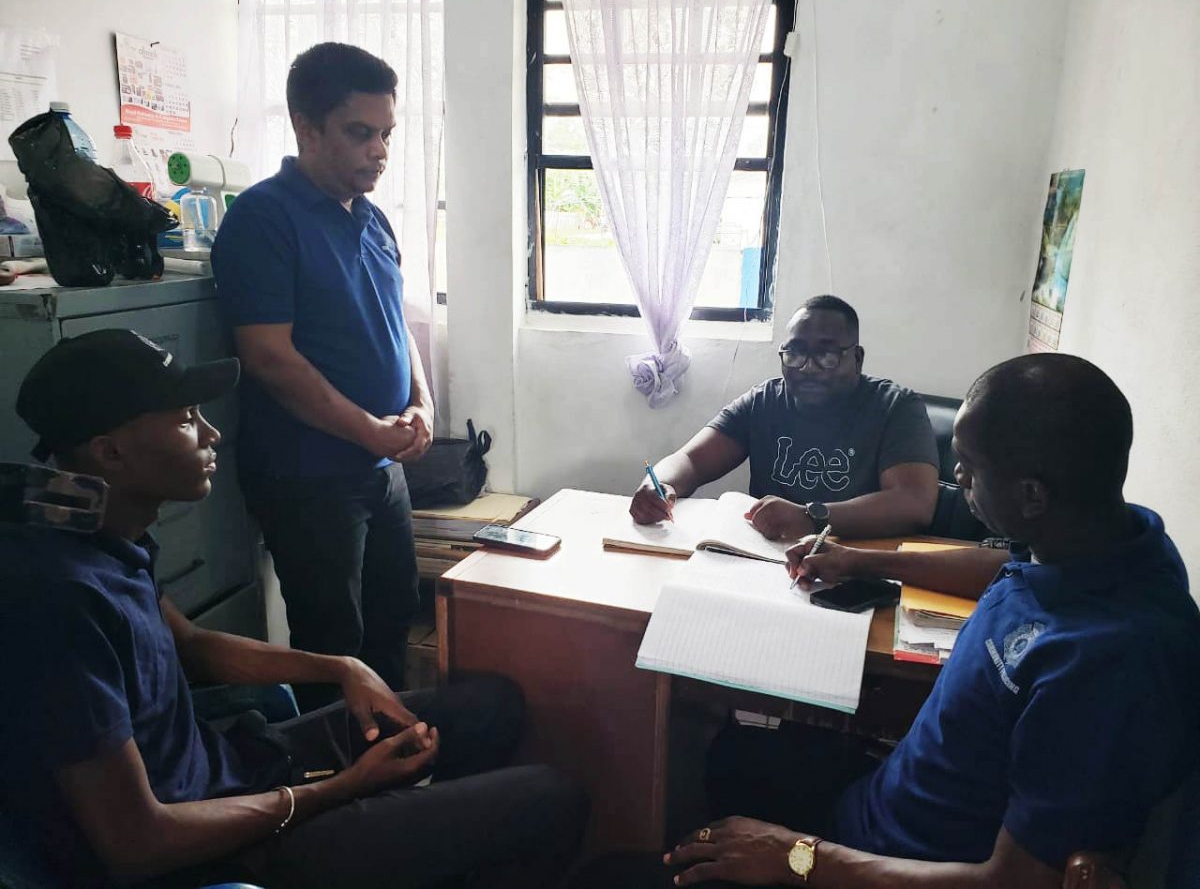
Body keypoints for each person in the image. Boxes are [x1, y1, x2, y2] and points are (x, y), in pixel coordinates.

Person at [0, 330, 587, 889]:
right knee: (551, 795)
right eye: (185, 420)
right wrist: (341, 790)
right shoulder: (59, 600)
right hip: (209, 850)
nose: (212, 436)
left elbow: (193, 646)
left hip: (232, 770)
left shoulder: (112, 541)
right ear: (112, 453)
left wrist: (339, 668)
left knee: (491, 706)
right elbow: (137, 843)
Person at [651, 353, 1200, 887]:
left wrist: (794, 857)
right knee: (717, 756)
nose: (954, 475)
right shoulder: (1108, 540)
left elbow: (1014, 880)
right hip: (888, 795)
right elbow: (1008, 567)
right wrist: (860, 560)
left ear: (1031, 495)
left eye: (968, 466)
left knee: (648, 866)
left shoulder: (1109, 666)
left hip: (901, 857)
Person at [212, 42, 431, 710]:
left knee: (396, 620)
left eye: (387, 134)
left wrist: (421, 403)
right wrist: (368, 430)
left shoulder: (372, 219)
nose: (379, 151)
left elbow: (399, 326)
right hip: (309, 475)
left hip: (380, 467)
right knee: (336, 647)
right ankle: (337, 795)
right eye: (359, 133)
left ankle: (393, 771)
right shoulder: (263, 219)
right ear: (307, 128)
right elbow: (270, 358)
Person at [629, 296, 940, 541]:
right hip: (770, 559)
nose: (807, 367)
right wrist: (658, 485)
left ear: (857, 359)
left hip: (858, 563)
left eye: (827, 355)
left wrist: (812, 517)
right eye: (795, 353)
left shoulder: (895, 407)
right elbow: (691, 460)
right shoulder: (765, 402)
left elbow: (913, 503)